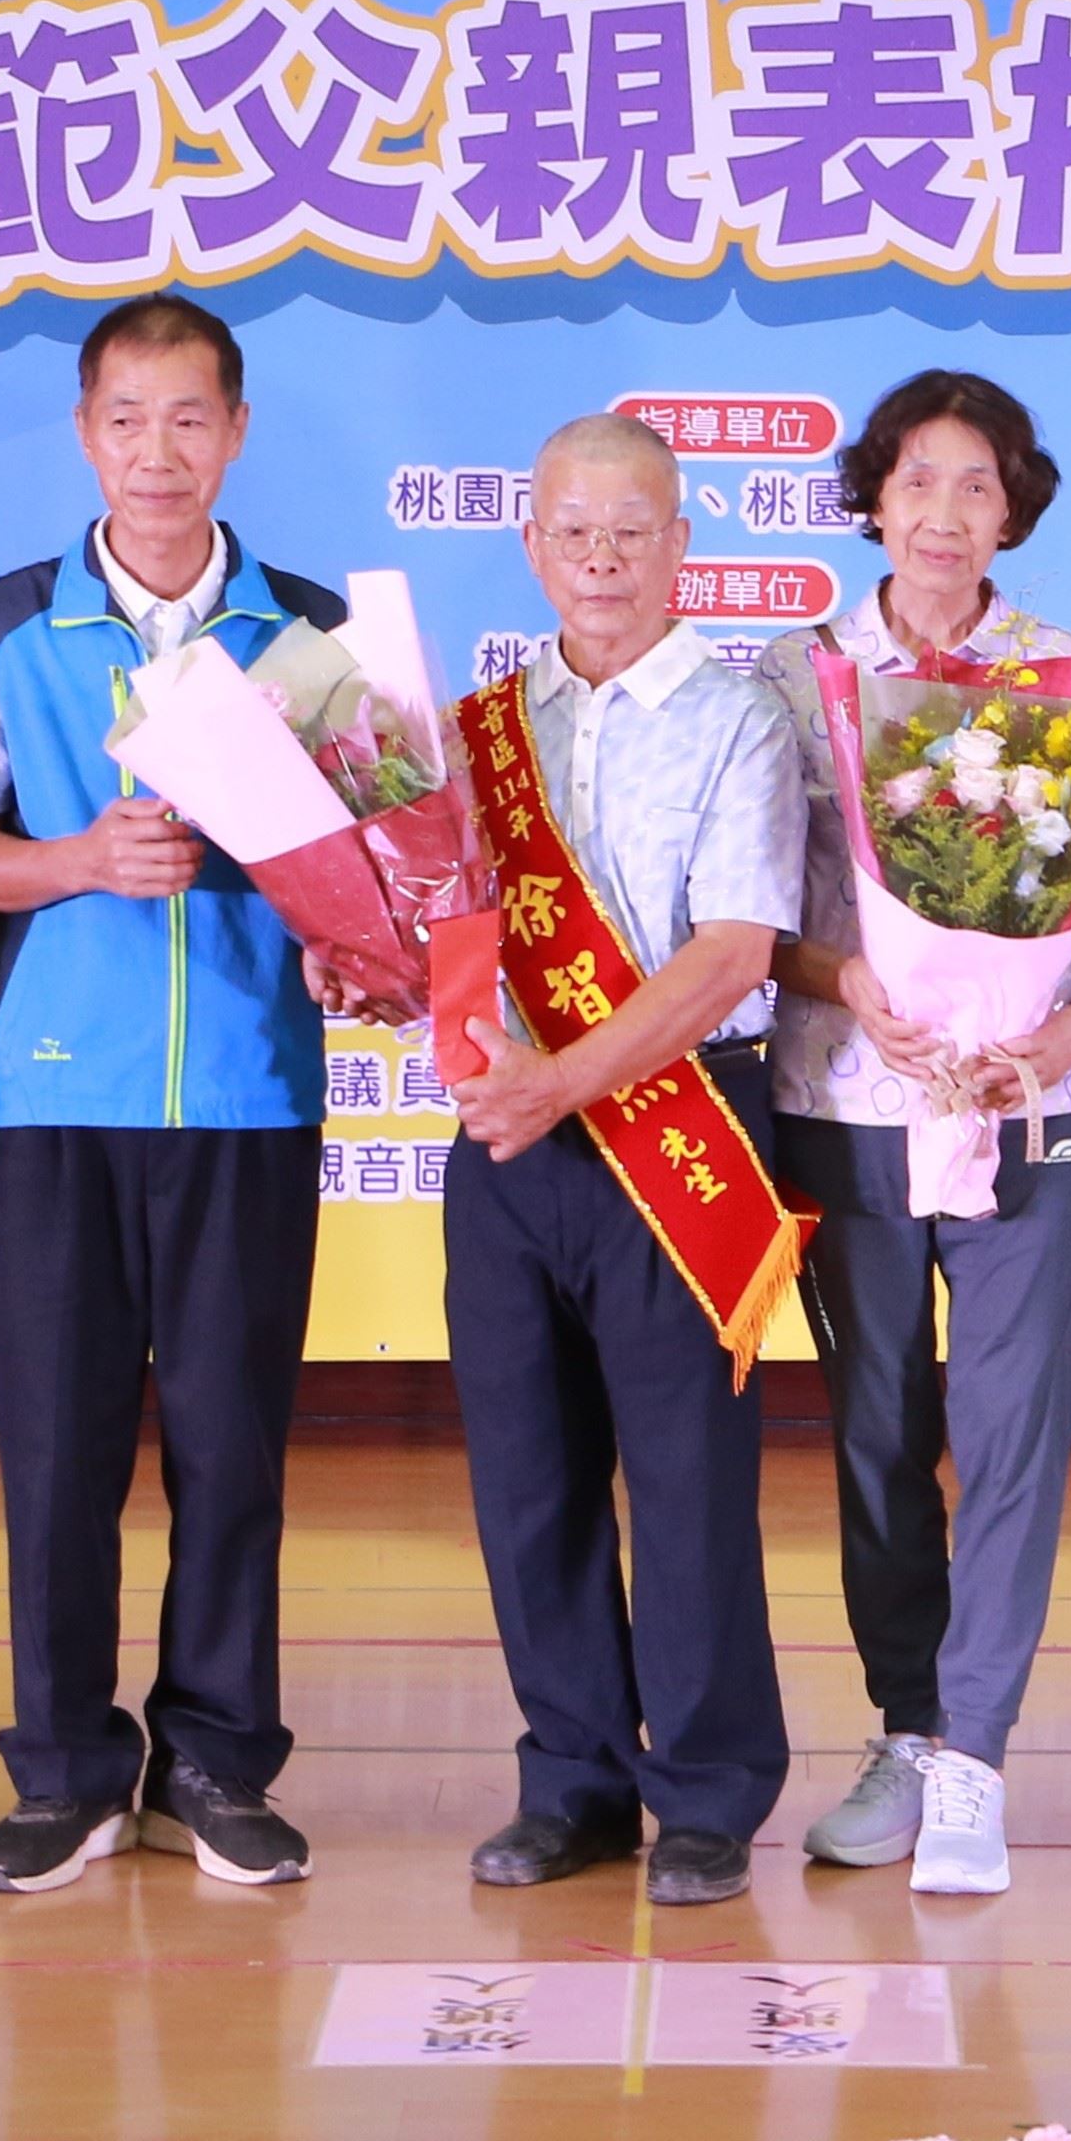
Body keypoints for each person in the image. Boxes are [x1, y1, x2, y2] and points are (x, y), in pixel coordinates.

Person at [0, 292, 363, 1895]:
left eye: (189, 419)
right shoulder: (8, 622)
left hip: (250, 1094)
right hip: (54, 1096)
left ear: (234, 432)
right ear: (84, 433)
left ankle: (218, 1763)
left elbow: (371, 856)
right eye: (126, 419)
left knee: (233, 1451)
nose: (157, 452)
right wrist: (79, 860)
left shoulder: (307, 632)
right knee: (58, 1455)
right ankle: (64, 1771)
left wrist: (358, 948)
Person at [758, 371, 1071, 1900]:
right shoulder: (797, 674)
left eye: (977, 484)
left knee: (1012, 1430)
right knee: (876, 1433)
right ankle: (906, 1728)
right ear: (873, 499)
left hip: (1027, 1112)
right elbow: (749, 907)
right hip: (845, 1098)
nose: (944, 512)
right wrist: (845, 976)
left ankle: (975, 1755)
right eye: (917, 479)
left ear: (1013, 509)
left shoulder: (1065, 677)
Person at [440, 412, 805, 1909]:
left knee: (688, 1478)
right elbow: (440, 927)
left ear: (681, 547)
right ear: (533, 545)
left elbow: (733, 953)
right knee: (527, 1475)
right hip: (509, 1139)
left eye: (631, 531)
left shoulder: (741, 718)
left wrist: (564, 1079)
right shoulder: (477, 731)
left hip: (680, 1130)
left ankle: (709, 1790)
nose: (601, 559)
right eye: (575, 532)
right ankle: (574, 1780)